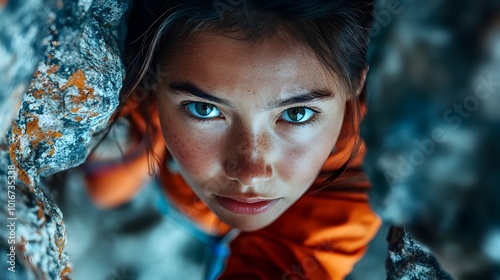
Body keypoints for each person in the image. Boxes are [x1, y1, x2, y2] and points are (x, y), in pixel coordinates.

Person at [84, 0, 381, 279]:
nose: (250, 174)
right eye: (205, 109)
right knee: (106, 190)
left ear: (356, 83)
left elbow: (282, 262)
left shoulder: (364, 166)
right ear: (153, 77)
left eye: (297, 114)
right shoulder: (113, 89)